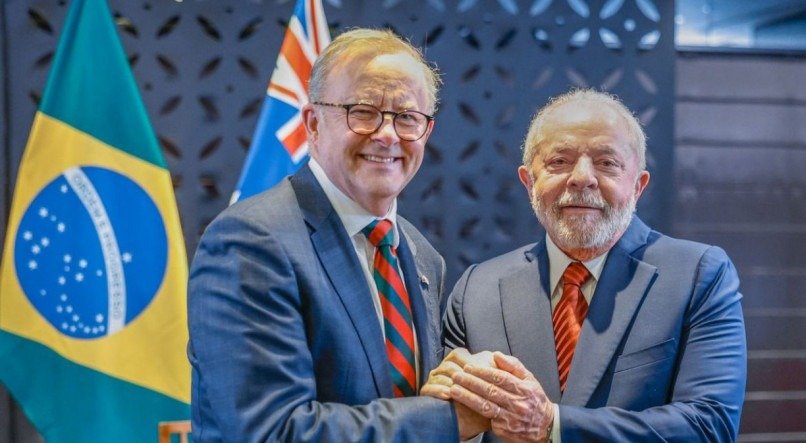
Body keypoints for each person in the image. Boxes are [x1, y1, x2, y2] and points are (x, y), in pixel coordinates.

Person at [188, 29, 483, 441]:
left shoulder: (421, 255)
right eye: (363, 111)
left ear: (426, 132)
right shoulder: (251, 242)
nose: (387, 134)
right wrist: (448, 419)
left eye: (407, 117)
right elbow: (270, 432)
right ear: (312, 123)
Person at [424, 89, 747, 442]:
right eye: (559, 161)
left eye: (607, 163)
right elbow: (451, 423)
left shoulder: (698, 275)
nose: (582, 178)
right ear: (528, 182)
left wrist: (553, 424)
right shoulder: (476, 290)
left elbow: (709, 425)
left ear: (638, 186)